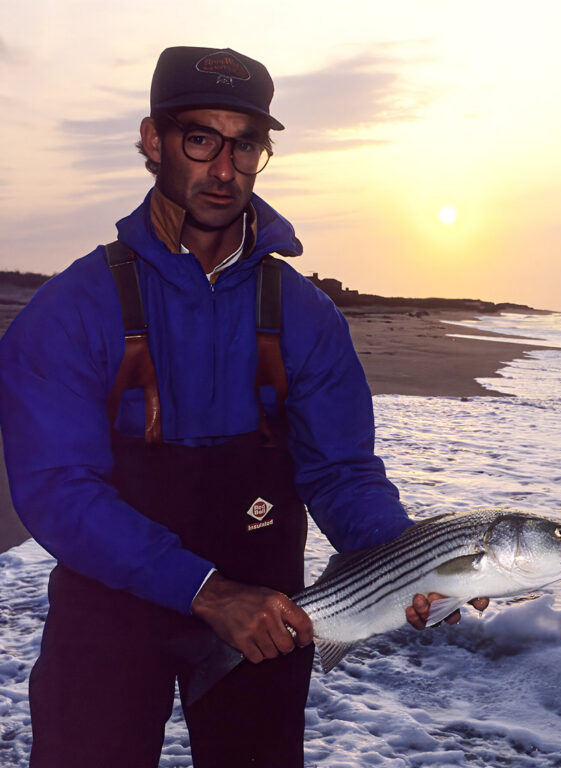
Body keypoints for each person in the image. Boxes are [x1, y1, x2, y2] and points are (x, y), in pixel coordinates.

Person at [0, 46, 485, 768]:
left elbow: (342, 472)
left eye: (247, 144)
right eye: (201, 139)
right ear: (152, 139)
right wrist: (205, 590)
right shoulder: (71, 309)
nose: (224, 169)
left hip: (265, 614)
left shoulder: (306, 315)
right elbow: (56, 489)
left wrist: (413, 565)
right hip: (107, 604)